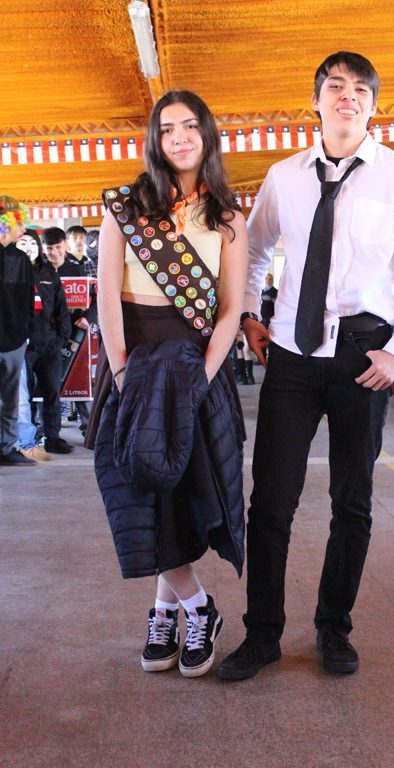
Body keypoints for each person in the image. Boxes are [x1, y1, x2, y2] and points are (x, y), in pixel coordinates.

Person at [218, 51, 394, 681]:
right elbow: (254, 250)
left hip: (362, 355)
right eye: (337, 86)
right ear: (315, 100)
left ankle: (333, 627)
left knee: (353, 502)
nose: (349, 95)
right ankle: (261, 634)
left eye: (362, 89)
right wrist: (249, 315)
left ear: (373, 106)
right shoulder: (283, 176)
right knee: (271, 502)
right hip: (291, 355)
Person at [88, 89, 248, 678]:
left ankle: (164, 612)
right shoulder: (124, 207)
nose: (179, 137)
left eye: (189, 126)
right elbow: (107, 295)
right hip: (133, 360)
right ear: (155, 140)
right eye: (167, 128)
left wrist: (203, 376)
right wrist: (121, 370)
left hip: (194, 364)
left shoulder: (228, 217)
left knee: (179, 490)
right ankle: (198, 607)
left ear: (206, 134)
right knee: (132, 481)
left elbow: (229, 309)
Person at [17, 229, 73, 457]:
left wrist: (60, 339)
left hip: (49, 343)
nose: (28, 247)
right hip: (22, 344)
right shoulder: (12, 271)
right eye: (23, 243)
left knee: (52, 392)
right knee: (25, 396)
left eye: (32, 243)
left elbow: (62, 308)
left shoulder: (48, 272)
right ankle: (27, 440)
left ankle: (53, 437)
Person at [41, 227, 96, 438]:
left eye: (58, 247)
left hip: (76, 333)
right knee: (45, 384)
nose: (54, 252)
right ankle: (43, 429)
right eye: (50, 248)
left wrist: (88, 317)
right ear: (43, 248)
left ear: (65, 244)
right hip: (46, 335)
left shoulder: (78, 270)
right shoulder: (37, 271)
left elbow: (97, 298)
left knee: (79, 378)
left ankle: (89, 428)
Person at [0, 195, 36, 466]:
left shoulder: (20, 258)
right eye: (19, 223)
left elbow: (27, 300)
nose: (23, 230)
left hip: (14, 340)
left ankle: (6, 447)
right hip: (13, 337)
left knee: (12, 400)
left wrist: (25, 333)